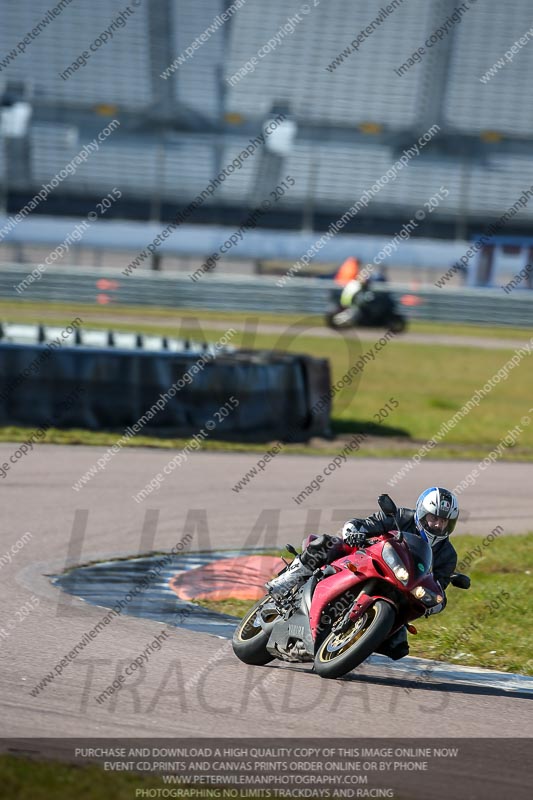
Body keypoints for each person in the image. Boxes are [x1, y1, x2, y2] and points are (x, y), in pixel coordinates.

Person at [266, 487, 459, 660]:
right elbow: (367, 523)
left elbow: (438, 585)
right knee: (328, 544)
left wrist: (434, 602)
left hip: (401, 587)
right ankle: (288, 578)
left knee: (397, 647)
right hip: (367, 558)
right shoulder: (401, 516)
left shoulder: (448, 555)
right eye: (434, 518)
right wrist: (356, 530)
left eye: (444, 522)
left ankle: (351, 642)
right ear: (422, 513)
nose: (437, 525)